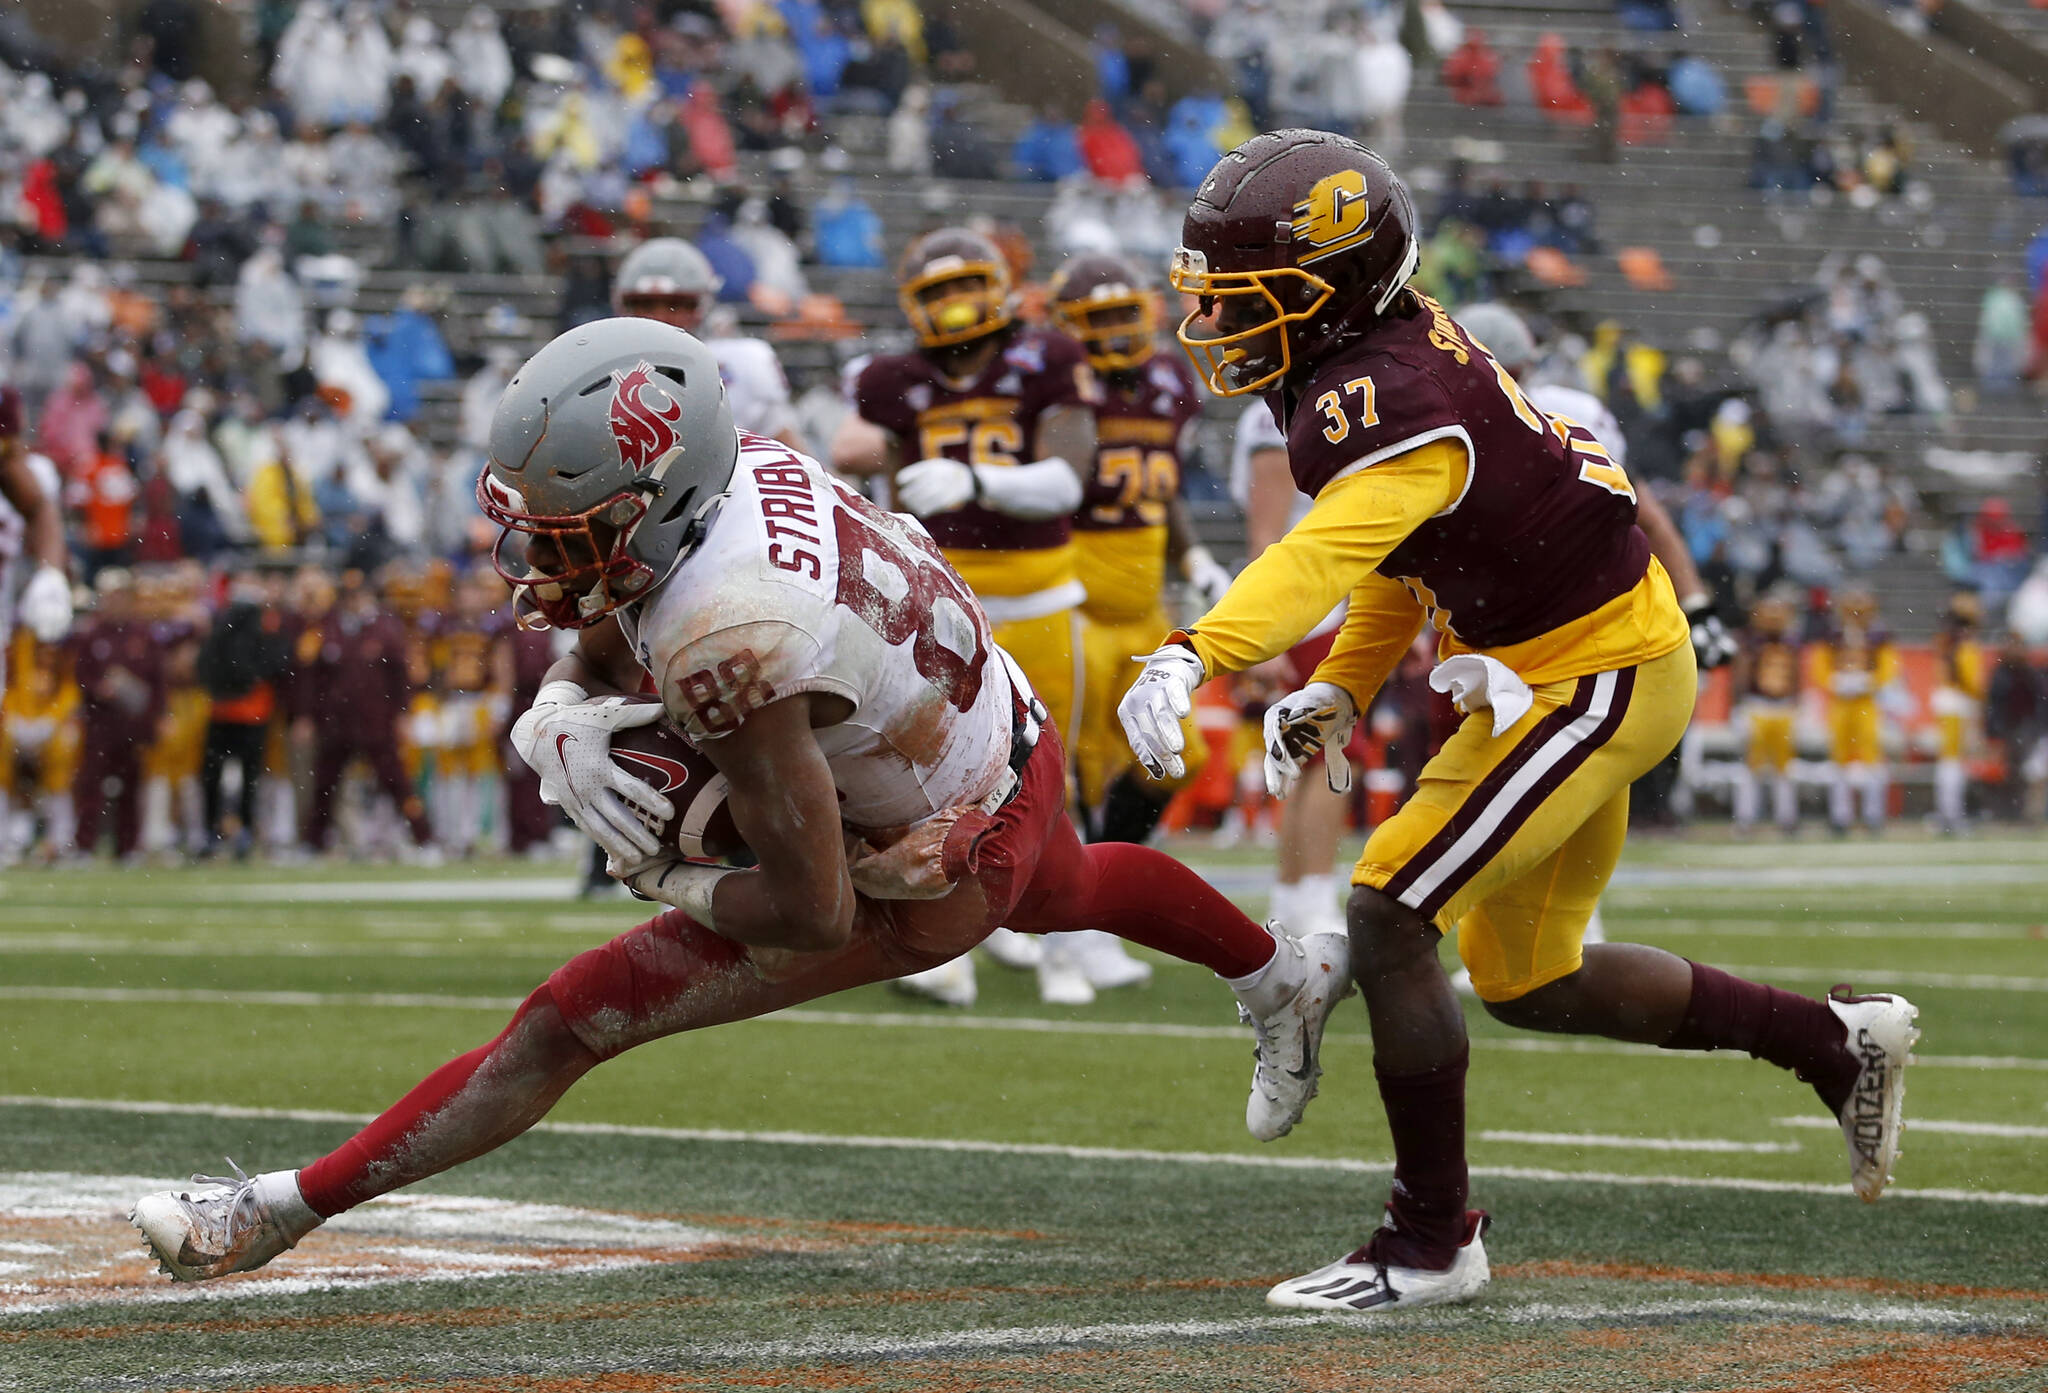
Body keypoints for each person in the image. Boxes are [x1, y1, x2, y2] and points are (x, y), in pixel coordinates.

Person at [129, 319, 1345, 1281]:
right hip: (995, 736)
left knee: (566, 1020)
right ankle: (1278, 973)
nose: (541, 565)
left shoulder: (730, 636)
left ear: (654, 500)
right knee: (1067, 880)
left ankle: (277, 1211)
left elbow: (814, 911)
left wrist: (670, 873)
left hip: (936, 851)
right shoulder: (737, 475)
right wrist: (559, 701)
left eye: (570, 536)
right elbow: (619, 623)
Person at [1118, 130, 1919, 1313]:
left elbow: (1324, 553)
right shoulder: (1373, 358)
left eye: (1249, 298)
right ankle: (1830, 1039)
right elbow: (1400, 547)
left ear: (1328, 287)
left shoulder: (1384, 393)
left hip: (1593, 669)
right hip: (1568, 656)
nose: (1221, 324)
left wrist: (1196, 650)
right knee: (1526, 976)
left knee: (1387, 912)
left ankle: (1430, 1237)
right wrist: (1343, 682)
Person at [849, 228, 1103, 1006]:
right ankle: (941, 947)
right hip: (942, 608)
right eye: (935, 295)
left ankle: (1062, 939)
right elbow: (885, 480)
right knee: (930, 785)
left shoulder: (1046, 358)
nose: (955, 309)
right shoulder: (894, 380)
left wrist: (976, 481)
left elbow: (1066, 482)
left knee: (1049, 777)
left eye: (965, 288)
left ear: (996, 287)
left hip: (1033, 600)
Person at [1047, 251, 1234, 998]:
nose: (1119, 333)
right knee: (1081, 775)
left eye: (1128, 315)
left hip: (1145, 602)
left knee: (1173, 759)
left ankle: (1095, 902)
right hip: (1077, 605)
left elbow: (1165, 487)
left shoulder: (1164, 379)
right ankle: (1070, 924)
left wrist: (1193, 563)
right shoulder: (1062, 389)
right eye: (1101, 321)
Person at [613, 237, 809, 454]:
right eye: (646, 304)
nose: (660, 317)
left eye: (676, 305)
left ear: (704, 305)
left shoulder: (743, 361)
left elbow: (791, 454)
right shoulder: (603, 364)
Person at [1813, 587, 1895, 835]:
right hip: (1841, 703)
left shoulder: (1877, 636)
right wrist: (1835, 681)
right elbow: (1820, 666)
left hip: (1865, 703)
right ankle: (1841, 816)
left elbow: (1889, 667)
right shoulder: (1833, 636)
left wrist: (1869, 681)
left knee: (1871, 757)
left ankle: (1873, 815)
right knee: (1839, 758)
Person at [1731, 592, 1804, 833]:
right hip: (1757, 706)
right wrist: (1737, 705)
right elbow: (1740, 675)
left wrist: (1798, 702)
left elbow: (1796, 676)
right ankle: (1745, 817)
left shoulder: (1791, 642)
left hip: (1782, 708)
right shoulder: (1750, 641)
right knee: (1752, 766)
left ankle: (1786, 818)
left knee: (1785, 767)